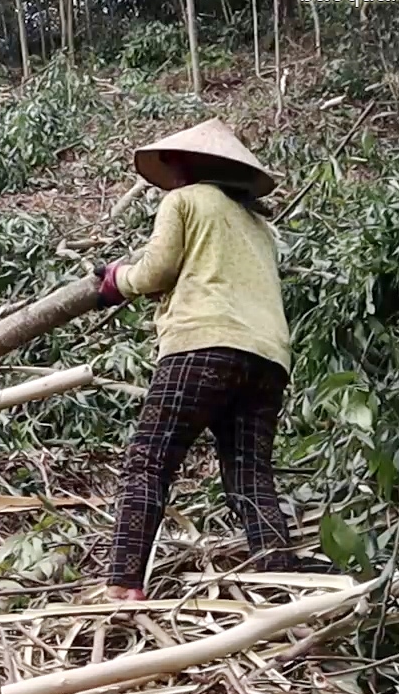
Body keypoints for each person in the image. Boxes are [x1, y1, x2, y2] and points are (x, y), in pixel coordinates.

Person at [93, 118, 298, 601]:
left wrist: (116, 280)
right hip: (267, 357)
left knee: (149, 460)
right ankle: (280, 579)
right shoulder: (258, 226)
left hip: (201, 344)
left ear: (184, 164)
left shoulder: (183, 201)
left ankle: (123, 585)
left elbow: (156, 271)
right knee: (249, 472)